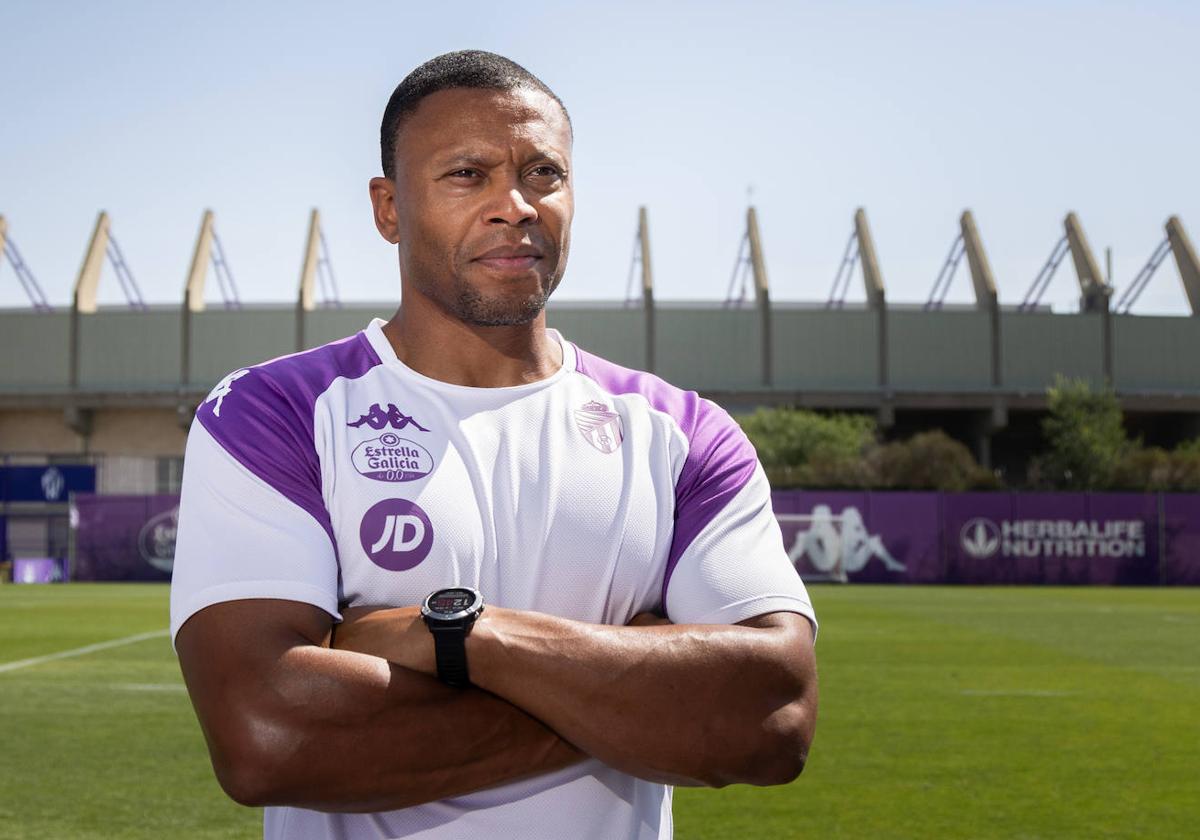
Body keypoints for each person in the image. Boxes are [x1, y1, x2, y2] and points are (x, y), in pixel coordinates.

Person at [171, 50, 818, 840]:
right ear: (388, 208)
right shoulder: (276, 413)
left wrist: (460, 637)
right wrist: (636, 688)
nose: (515, 205)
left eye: (543, 173)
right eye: (466, 175)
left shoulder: (683, 434)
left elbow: (773, 716)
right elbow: (267, 740)